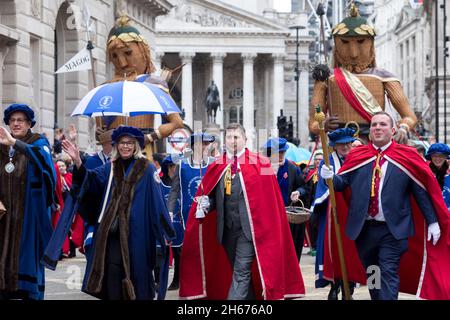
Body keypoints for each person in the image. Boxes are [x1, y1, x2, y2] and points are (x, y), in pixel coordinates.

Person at [320, 111, 450, 300]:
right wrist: (330, 177)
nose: (378, 128)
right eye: (374, 125)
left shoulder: (406, 156)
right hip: (364, 230)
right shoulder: (358, 155)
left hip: (393, 230)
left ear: (393, 129)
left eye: (383, 124)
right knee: (374, 274)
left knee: (388, 271)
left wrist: (432, 221)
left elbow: (420, 191)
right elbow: (342, 183)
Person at [179, 123, 305, 300]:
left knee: (241, 271)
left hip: (251, 232)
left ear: (245, 140)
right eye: (229, 137)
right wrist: (207, 204)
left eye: (236, 137)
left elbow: (271, 200)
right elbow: (214, 197)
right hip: (226, 231)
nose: (233, 141)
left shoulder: (261, 163)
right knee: (238, 272)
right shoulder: (217, 166)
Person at [62, 125, 175, 300]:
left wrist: (165, 229)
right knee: (113, 275)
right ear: (116, 145)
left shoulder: (147, 168)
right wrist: (78, 161)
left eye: (130, 143)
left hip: (138, 234)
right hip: (112, 235)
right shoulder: (110, 167)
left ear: (136, 146)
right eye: (122, 142)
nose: (126, 146)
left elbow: (157, 201)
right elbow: (90, 181)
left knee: (138, 276)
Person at [309, 4, 417, 144]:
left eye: (361, 42)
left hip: (374, 142)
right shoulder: (326, 79)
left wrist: (403, 127)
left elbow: (409, 116)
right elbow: (313, 124)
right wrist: (323, 125)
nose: (354, 53)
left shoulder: (385, 77)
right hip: (341, 144)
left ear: (370, 43)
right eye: (345, 43)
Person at [99, 15, 183, 153]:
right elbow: (103, 128)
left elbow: (177, 122)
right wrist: (101, 133)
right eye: (115, 56)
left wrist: (150, 137)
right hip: (114, 153)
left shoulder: (153, 84)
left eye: (128, 53)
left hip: (142, 151)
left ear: (143, 52)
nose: (122, 63)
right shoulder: (105, 88)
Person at [0, 103, 56, 300]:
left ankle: (28, 293)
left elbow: (46, 167)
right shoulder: (1, 146)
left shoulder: (38, 143)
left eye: (20, 120)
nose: (16, 124)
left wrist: (15, 144)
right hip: (4, 215)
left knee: (26, 260)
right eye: (12, 120)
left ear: (29, 123)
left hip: (28, 215)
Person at [312, 128, 360, 300]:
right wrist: (327, 180)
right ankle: (335, 285)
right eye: (341, 144)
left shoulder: (357, 160)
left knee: (352, 251)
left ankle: (350, 287)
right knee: (332, 250)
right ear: (335, 146)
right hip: (332, 215)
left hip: (353, 212)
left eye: (348, 143)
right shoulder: (327, 161)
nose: (345, 147)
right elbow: (323, 189)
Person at [166, 132, 215, 290]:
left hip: (211, 214)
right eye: (204, 144)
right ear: (195, 146)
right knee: (190, 251)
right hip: (187, 215)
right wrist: (170, 211)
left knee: (209, 249)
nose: (207, 147)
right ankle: (192, 282)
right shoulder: (182, 166)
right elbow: (174, 191)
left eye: (208, 144)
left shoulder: (214, 163)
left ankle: (208, 281)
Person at [262, 137, 309, 262]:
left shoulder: (292, 168)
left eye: (283, 152)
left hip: (288, 218)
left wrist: (298, 192)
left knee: (289, 251)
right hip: (269, 218)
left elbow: (304, 187)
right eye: (279, 152)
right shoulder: (263, 168)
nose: (282, 155)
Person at [425, 143, 450, 209]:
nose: (438, 158)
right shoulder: (425, 173)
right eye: (435, 156)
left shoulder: (449, 175)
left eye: (441, 156)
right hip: (431, 213)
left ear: (445, 157)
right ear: (431, 157)